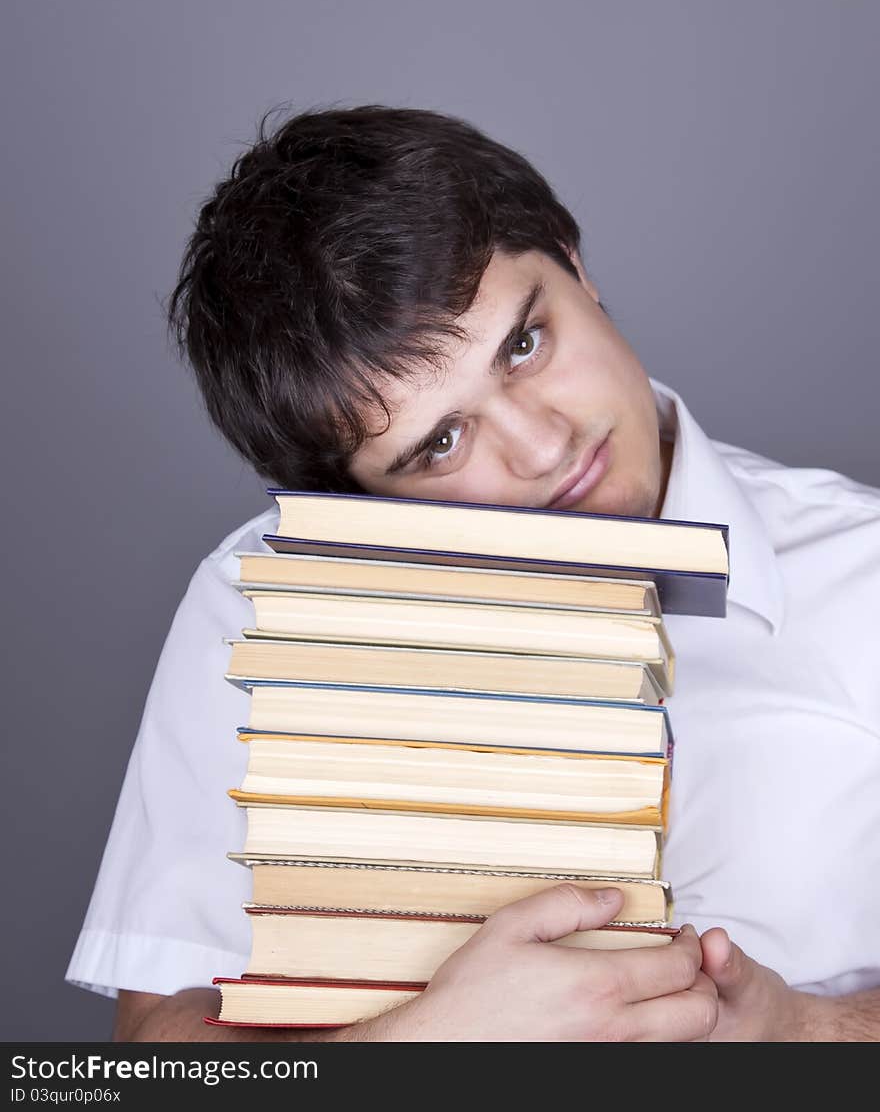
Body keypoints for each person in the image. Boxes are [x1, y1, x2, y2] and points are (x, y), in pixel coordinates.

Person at [66, 106, 880, 1042]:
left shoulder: (866, 570)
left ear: (574, 263)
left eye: (525, 344)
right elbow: (150, 1056)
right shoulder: (261, 608)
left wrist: (807, 1034)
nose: (544, 448)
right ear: (355, 496)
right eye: (441, 442)